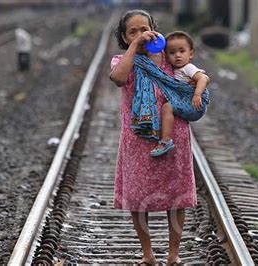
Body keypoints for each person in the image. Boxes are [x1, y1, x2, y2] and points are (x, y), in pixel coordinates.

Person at [109, 9, 197, 265]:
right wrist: (135, 47)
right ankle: (148, 254)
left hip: (174, 137)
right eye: (132, 32)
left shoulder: (170, 59)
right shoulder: (121, 60)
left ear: (154, 29)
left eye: (143, 29)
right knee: (138, 198)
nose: (140, 34)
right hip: (138, 139)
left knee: (177, 196)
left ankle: (173, 254)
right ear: (124, 38)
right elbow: (118, 79)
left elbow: (194, 73)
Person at [150, 31, 210, 157]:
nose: (177, 56)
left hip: (194, 104)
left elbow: (203, 78)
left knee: (167, 107)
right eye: (172, 53)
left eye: (182, 51)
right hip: (188, 103)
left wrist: (197, 95)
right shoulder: (173, 70)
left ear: (191, 53)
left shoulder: (188, 68)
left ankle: (165, 141)